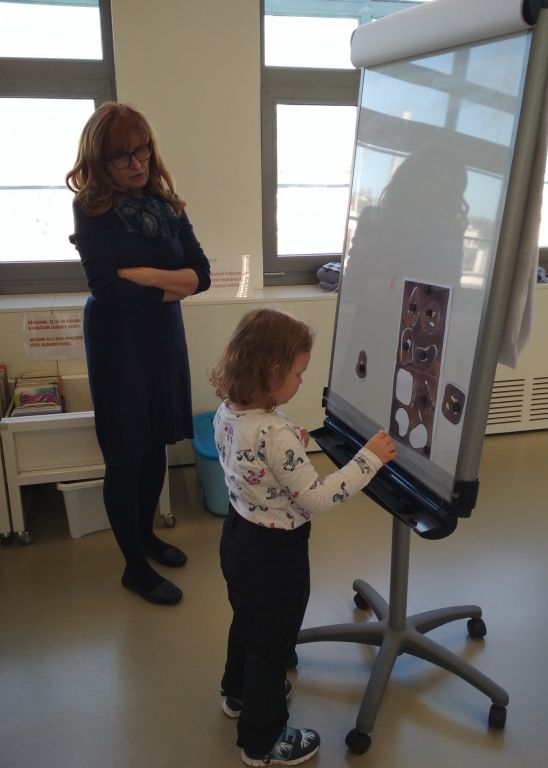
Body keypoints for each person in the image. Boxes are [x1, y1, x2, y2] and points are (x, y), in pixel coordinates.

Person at [210, 308, 397, 766]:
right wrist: (369, 460)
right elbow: (316, 497)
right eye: (298, 373)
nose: (301, 381)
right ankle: (262, 741)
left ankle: (237, 694)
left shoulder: (227, 411)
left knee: (247, 623)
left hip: (238, 536)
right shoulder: (274, 435)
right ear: (272, 372)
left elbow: (256, 465)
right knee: (273, 644)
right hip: (275, 555)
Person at [66, 102, 211, 606]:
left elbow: (202, 275)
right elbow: (106, 289)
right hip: (116, 343)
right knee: (126, 453)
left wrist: (145, 276)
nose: (137, 163)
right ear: (99, 161)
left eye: (143, 149)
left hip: (162, 337)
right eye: (123, 156)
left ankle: (147, 537)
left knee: (155, 446)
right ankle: (134, 566)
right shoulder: (91, 209)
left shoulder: (168, 205)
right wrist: (173, 286)